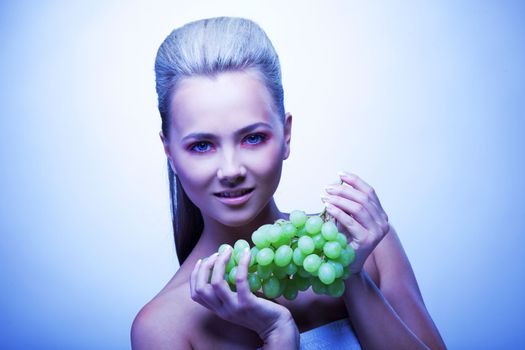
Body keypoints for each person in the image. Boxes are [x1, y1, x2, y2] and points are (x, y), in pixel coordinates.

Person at [131, 16, 447, 349]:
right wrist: (277, 334)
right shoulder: (162, 327)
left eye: (252, 138)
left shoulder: (366, 246)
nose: (230, 169)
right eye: (201, 145)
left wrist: (353, 278)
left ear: (287, 134)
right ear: (169, 152)